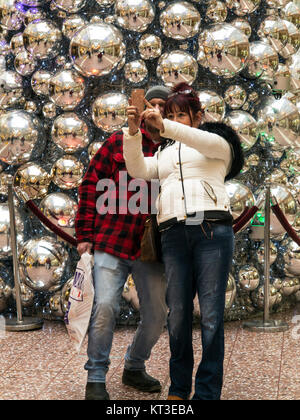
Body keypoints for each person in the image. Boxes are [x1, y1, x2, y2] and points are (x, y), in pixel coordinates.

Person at [123, 82, 244, 400]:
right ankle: (178, 388)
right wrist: (134, 132)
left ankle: (206, 393)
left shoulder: (216, 142)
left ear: (198, 116)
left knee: (212, 317)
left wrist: (167, 126)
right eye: (171, 114)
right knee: (177, 316)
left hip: (211, 231)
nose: (176, 121)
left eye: (182, 115)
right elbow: (137, 169)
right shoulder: (164, 152)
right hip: (173, 234)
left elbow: (198, 138)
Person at [75, 85, 170, 400]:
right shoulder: (118, 141)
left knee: (157, 315)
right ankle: (97, 378)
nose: (155, 109)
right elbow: (91, 184)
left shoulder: (175, 148)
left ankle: (134, 366)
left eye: (162, 105)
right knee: (104, 306)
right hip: (112, 239)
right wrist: (84, 235)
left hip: (151, 248)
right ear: (142, 108)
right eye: (151, 104)